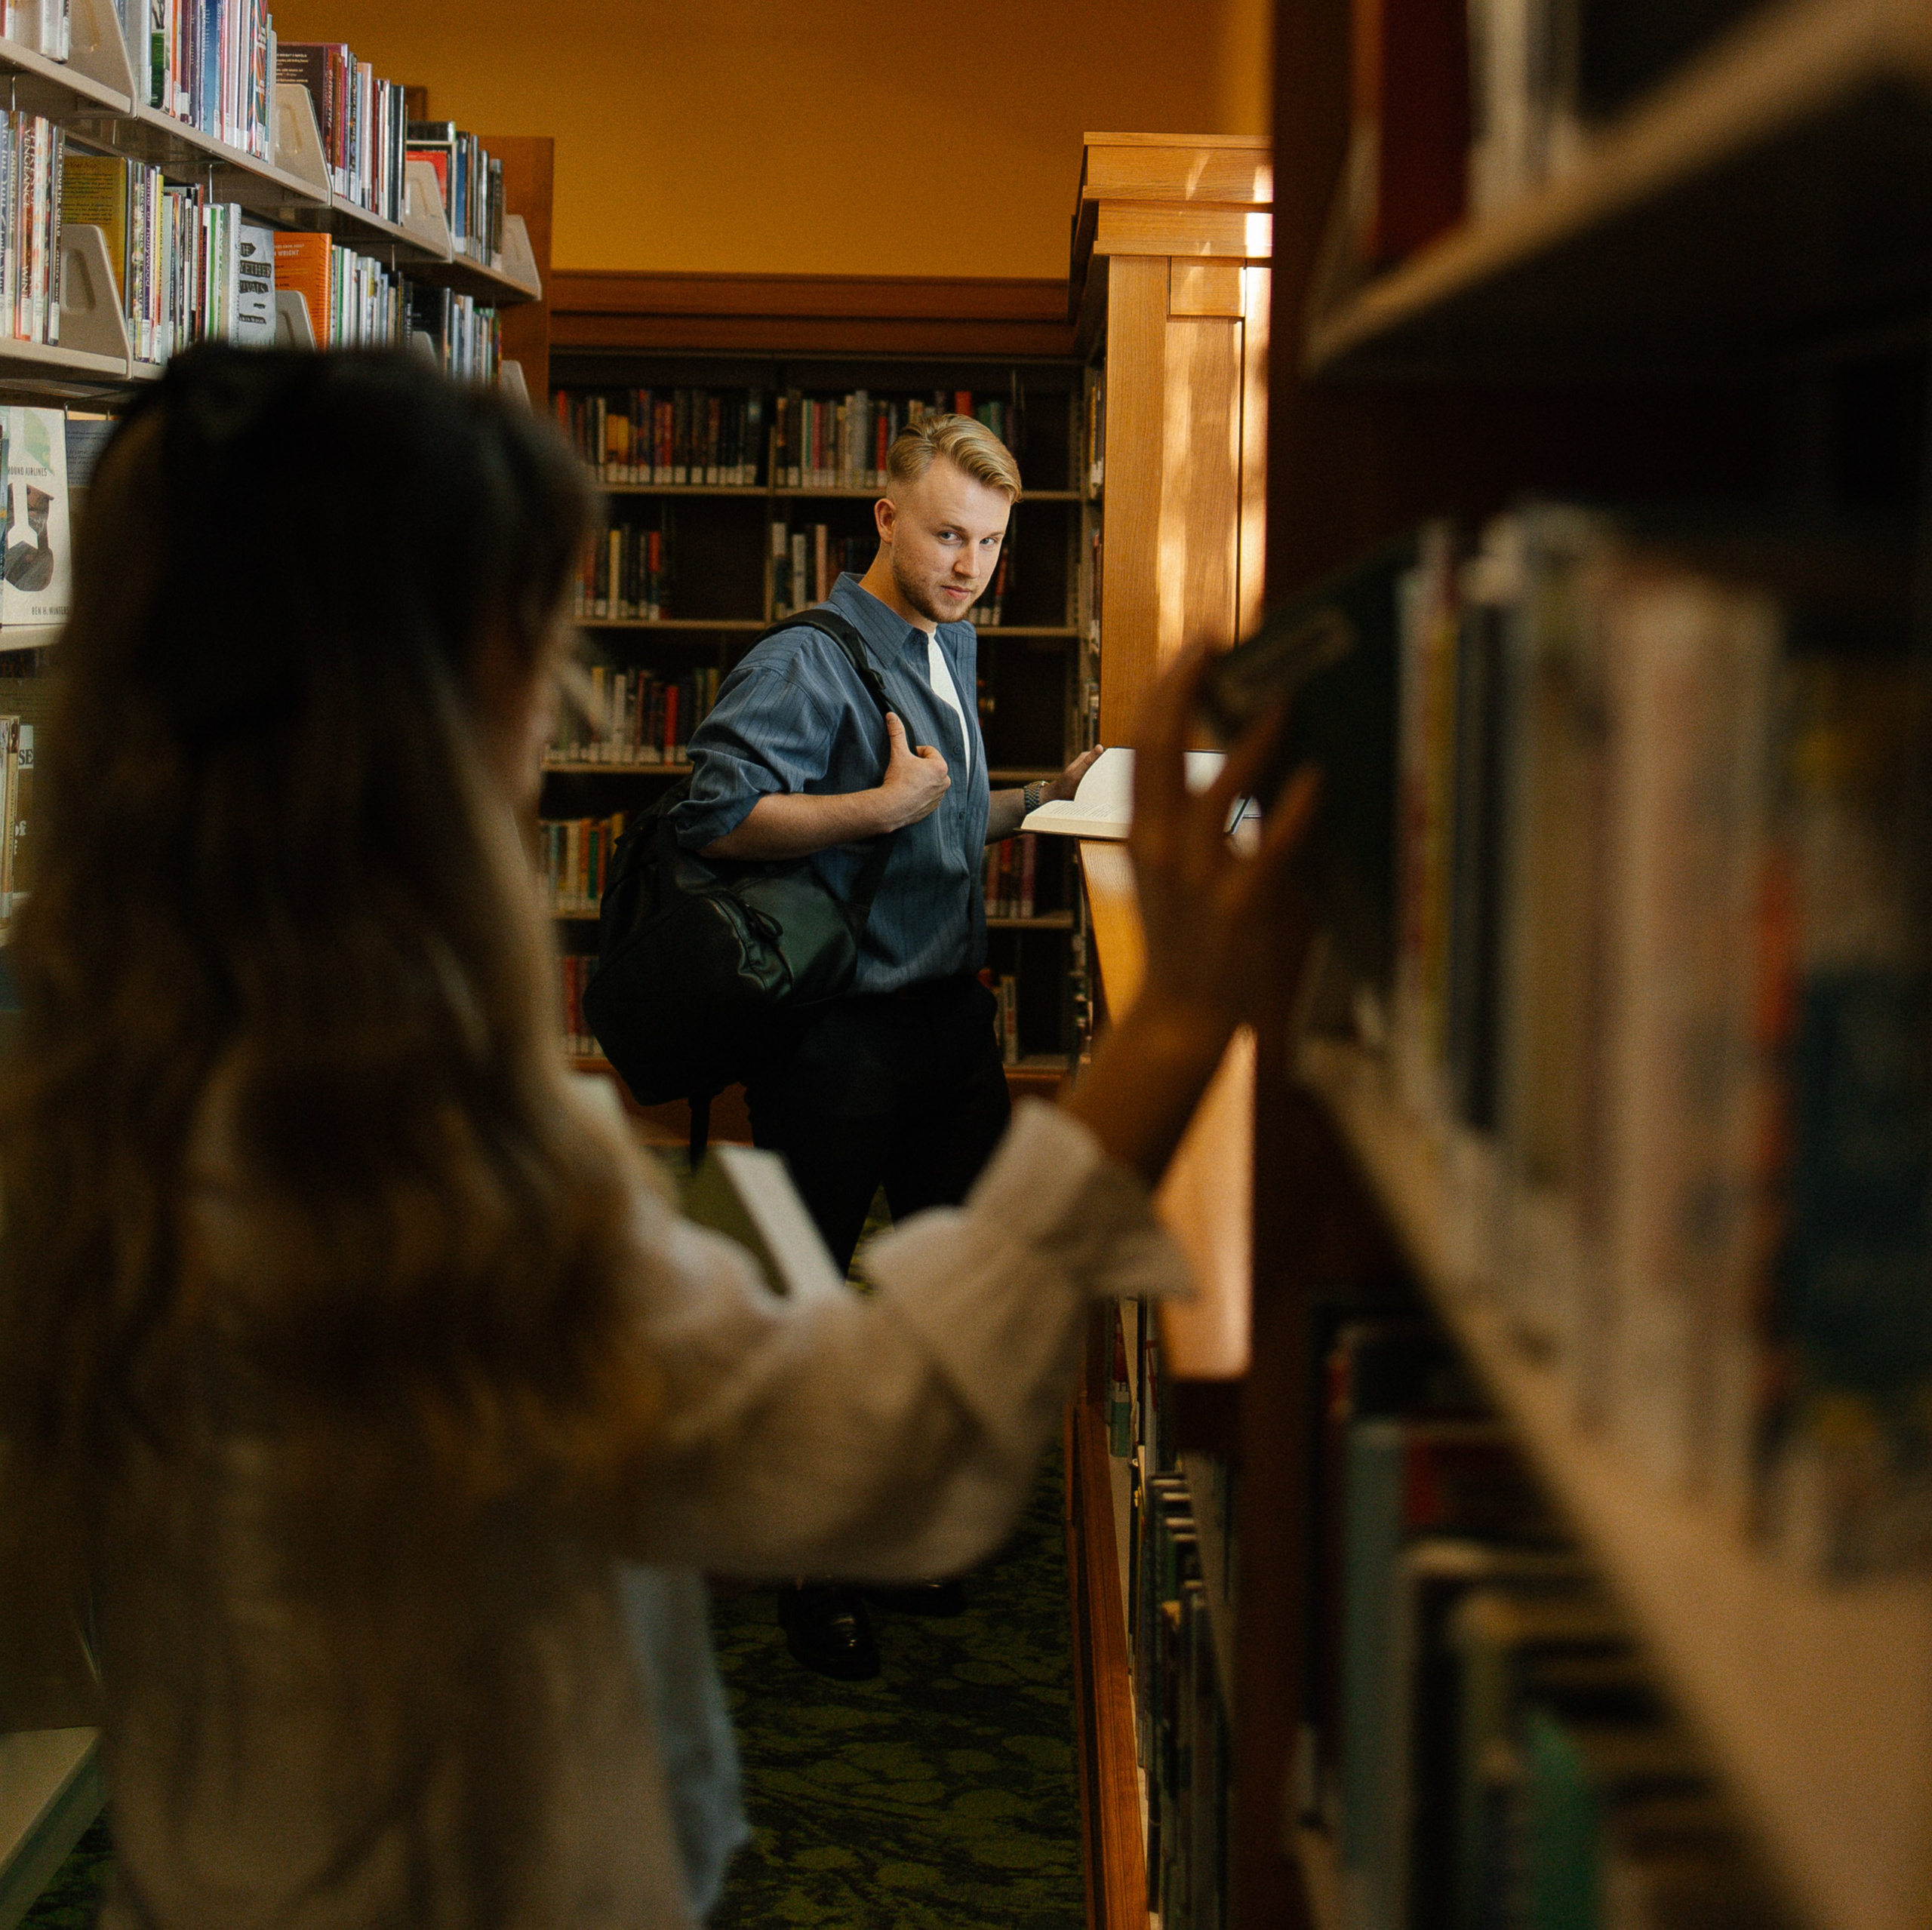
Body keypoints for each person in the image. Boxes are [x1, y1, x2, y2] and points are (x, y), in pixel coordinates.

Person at [0, 347, 1318, 1930]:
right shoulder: (418, 1173)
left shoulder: (99, 1085)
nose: (547, 717)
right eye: (528, 651)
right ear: (419, 707)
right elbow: (876, 1439)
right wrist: (1176, 1029)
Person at [671, 413, 1099, 1673]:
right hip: (837, 1032)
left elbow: (940, 816)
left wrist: (1043, 798)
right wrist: (876, 805)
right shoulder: (808, 660)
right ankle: (811, 1570)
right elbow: (715, 814)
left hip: (947, 1024)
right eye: (949, 536)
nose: (970, 566)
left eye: (991, 544)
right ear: (886, 517)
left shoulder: (946, 640)